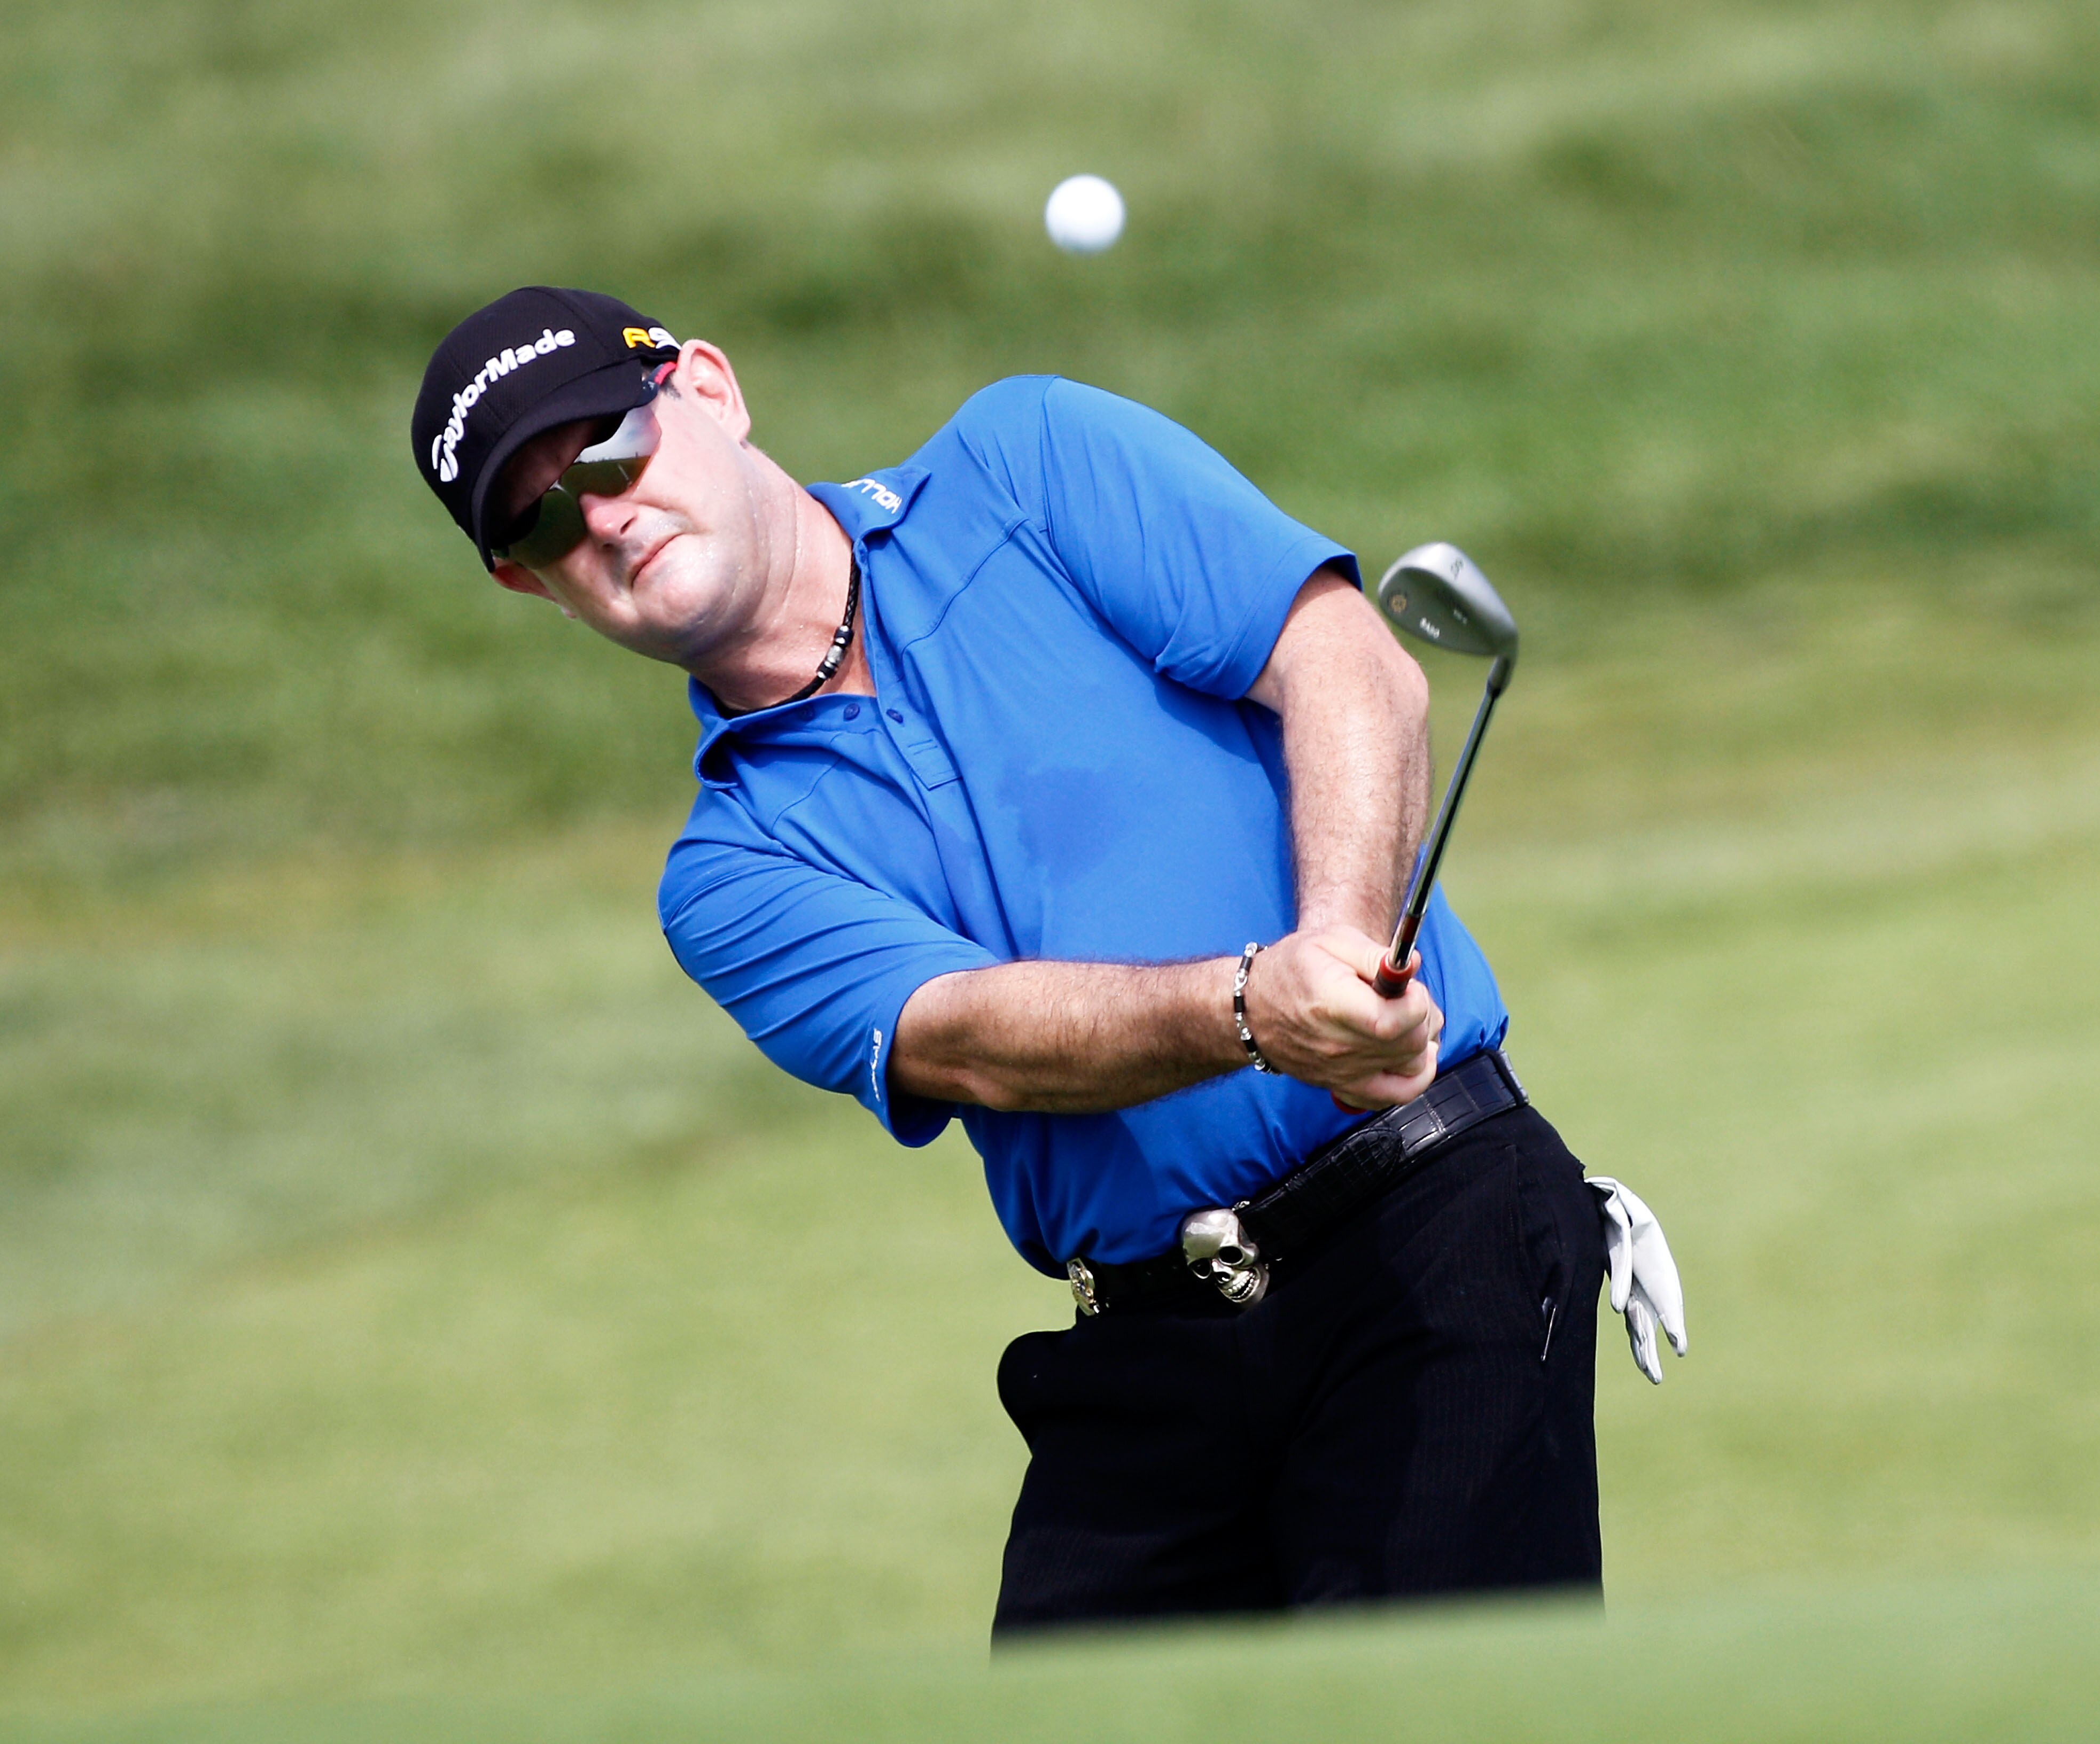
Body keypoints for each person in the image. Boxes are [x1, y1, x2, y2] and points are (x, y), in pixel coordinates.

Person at [411, 284, 1675, 1635]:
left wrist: (1342, 946)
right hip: (1148, 1356)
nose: (600, 514)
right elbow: (964, 1034)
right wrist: (1256, 1007)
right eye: (541, 517)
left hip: (1432, 1235)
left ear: (708, 392)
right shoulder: (729, 873)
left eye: (607, 449)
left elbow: (1345, 662)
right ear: (523, 579)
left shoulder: (1028, 462)